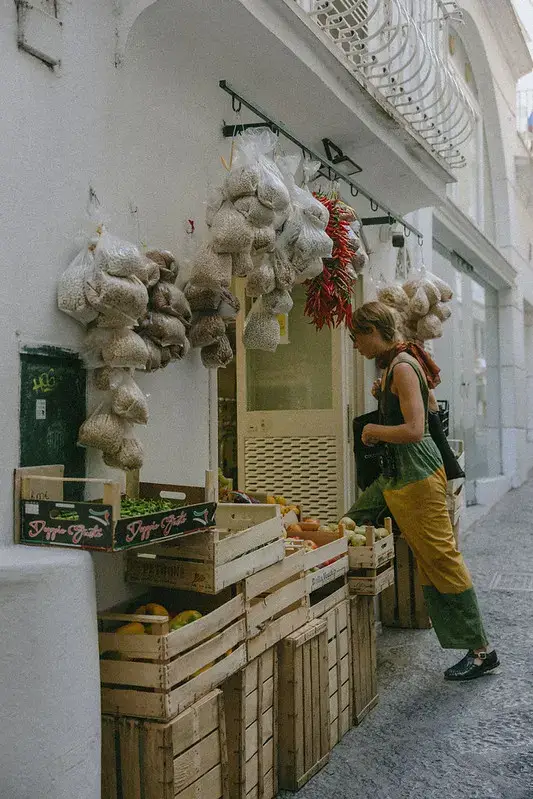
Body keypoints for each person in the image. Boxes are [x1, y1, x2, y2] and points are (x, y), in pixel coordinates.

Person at [345, 301, 498, 681]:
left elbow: (416, 429)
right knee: (350, 521)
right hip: (397, 475)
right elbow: (429, 405)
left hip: (416, 475)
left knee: (440, 558)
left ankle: (481, 651)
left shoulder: (402, 366)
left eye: (356, 337)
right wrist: (388, 396)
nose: (356, 346)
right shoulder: (402, 363)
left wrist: (374, 430)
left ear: (373, 332)